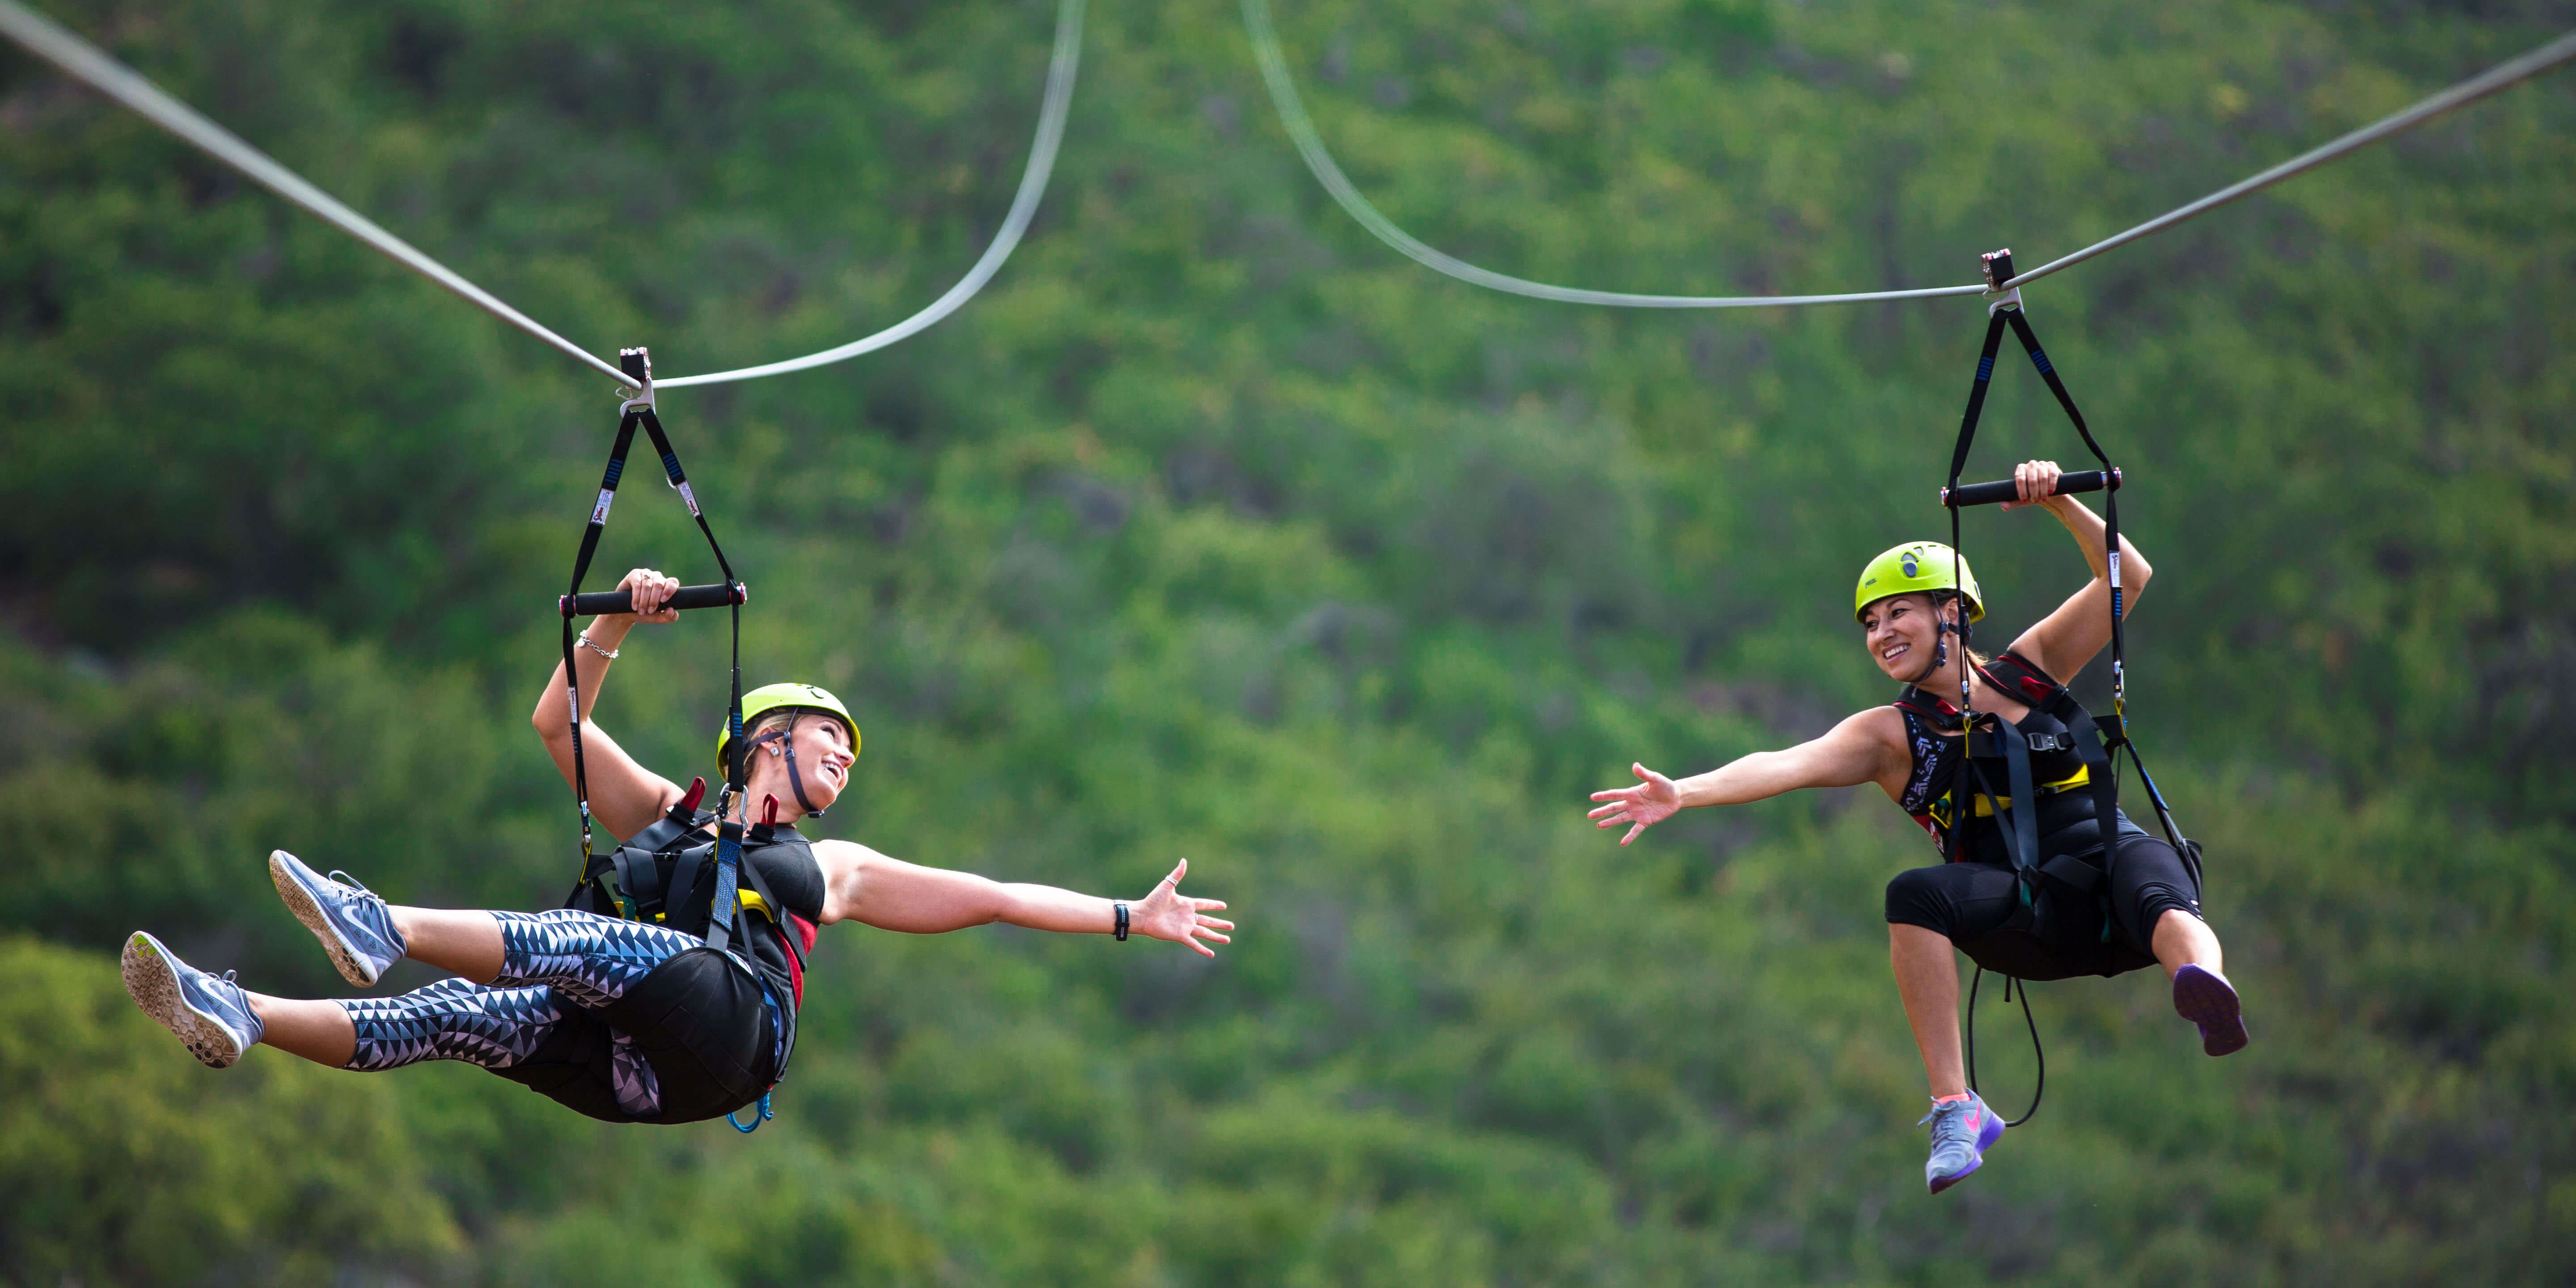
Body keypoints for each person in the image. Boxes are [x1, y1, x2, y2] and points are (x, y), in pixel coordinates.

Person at [122, 568, 1234, 1125]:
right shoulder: (673, 809)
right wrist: (615, 623)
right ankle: (242, 1014)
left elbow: (992, 895)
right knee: (447, 1019)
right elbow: (557, 726)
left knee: (586, 946)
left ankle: (383, 924)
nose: (843, 764)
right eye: (825, 743)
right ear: (765, 741)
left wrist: (1133, 916)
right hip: (633, 1069)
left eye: (850, 757)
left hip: (726, 1032)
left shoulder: (833, 870)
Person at [1585, 460, 2244, 1195]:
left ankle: (2203, 987)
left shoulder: (2032, 669)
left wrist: (2060, 501)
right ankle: (1956, 1107)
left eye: (1899, 612)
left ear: (1953, 613)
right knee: (1913, 895)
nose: (1882, 632)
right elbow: (1785, 761)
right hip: (2030, 913)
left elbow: (2128, 574)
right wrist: (1685, 792)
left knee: (2151, 875)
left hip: (2115, 885)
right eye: (1871, 622)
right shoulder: (1891, 735)